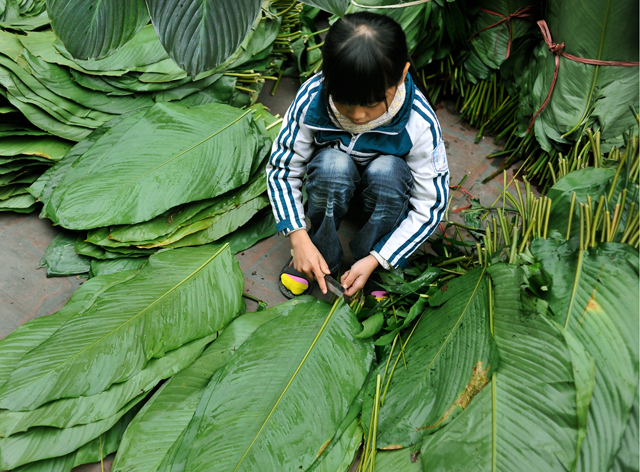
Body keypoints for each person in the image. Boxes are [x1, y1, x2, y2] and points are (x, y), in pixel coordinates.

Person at [266, 11, 449, 299]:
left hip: (385, 200)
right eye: (344, 102)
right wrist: (297, 237)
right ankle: (318, 252)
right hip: (329, 191)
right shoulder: (312, 97)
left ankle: (375, 260)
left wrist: (380, 257)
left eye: (371, 104)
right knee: (331, 164)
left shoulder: (419, 121)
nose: (358, 115)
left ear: (402, 75)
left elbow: (430, 205)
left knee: (389, 172)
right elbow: (282, 170)